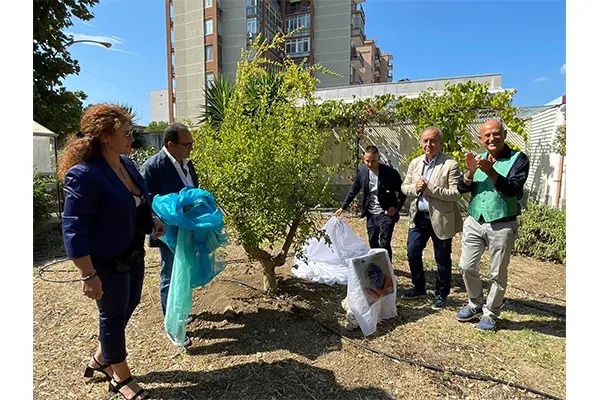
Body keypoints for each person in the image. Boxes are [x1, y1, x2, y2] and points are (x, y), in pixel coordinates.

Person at [60, 103, 165, 400]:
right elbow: (73, 227)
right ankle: (120, 375)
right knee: (113, 315)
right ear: (106, 136)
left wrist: (152, 220)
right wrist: (87, 273)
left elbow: (138, 201)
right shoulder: (85, 174)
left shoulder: (127, 164)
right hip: (105, 260)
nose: (132, 138)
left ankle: (101, 358)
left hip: (132, 253)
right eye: (126, 133)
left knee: (128, 306)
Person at [455, 119, 530, 331]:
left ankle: (491, 312)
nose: (491, 138)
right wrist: (469, 173)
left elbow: (513, 189)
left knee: (497, 273)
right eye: (486, 135)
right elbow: (462, 188)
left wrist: (491, 172)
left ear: (504, 135)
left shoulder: (518, 159)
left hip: (502, 223)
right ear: (481, 138)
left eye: (496, 134)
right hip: (474, 221)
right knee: (466, 266)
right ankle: (474, 303)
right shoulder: (478, 159)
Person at [140, 123, 198, 347]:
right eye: (187, 145)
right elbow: (147, 201)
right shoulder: (153, 167)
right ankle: (173, 323)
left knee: (184, 272)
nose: (190, 149)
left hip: (188, 229)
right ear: (170, 144)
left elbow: (192, 188)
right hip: (168, 232)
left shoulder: (187, 163)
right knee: (170, 273)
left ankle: (181, 309)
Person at [400, 127, 463, 310]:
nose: (429, 144)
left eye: (433, 141)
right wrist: (416, 189)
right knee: (412, 252)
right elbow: (405, 187)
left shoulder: (450, 164)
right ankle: (419, 288)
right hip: (418, 217)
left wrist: (430, 189)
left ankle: (441, 295)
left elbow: (456, 194)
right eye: (425, 141)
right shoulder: (415, 163)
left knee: (442, 258)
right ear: (421, 143)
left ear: (440, 143)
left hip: (441, 218)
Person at [335, 145, 406, 263]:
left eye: (373, 161)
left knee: (384, 241)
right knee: (373, 241)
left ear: (378, 158)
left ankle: (387, 269)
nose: (370, 164)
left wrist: (396, 208)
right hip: (371, 213)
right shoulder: (362, 171)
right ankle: (377, 266)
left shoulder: (390, 173)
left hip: (386, 212)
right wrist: (343, 206)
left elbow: (402, 191)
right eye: (367, 161)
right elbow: (354, 189)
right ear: (364, 159)